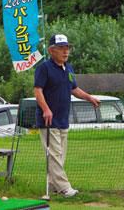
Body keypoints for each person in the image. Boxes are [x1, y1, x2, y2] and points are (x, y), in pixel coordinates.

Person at [34, 34, 100, 198]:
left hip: (63, 119)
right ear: (51, 50)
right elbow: (37, 90)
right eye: (61, 48)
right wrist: (46, 109)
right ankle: (64, 187)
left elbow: (74, 89)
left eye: (67, 48)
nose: (66, 51)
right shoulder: (44, 68)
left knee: (60, 155)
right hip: (48, 119)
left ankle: (53, 185)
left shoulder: (69, 68)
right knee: (55, 155)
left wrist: (89, 97)